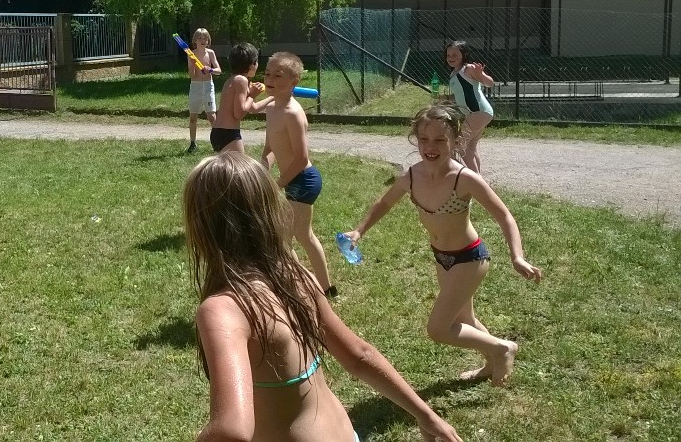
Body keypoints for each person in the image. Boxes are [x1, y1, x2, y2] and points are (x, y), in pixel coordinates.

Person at [184, 152, 463, 442]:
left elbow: (231, 429)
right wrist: (426, 415)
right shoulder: (293, 276)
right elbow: (359, 356)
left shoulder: (223, 310)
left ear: (201, 224)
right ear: (269, 211)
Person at [344, 104, 542, 387]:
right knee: (466, 319)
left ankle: (503, 348)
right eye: (424, 139)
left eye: (440, 139)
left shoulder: (464, 179)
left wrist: (517, 257)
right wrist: (359, 231)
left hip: (469, 259)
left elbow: (504, 216)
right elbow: (384, 203)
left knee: (438, 329)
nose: (431, 146)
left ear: (455, 141)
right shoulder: (412, 176)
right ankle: (491, 361)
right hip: (442, 258)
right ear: (415, 139)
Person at [259, 52, 335, 298]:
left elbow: (301, 158)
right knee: (302, 235)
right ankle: (323, 288)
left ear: (294, 81)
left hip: (303, 180)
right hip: (291, 180)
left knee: (284, 239)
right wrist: (263, 167)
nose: (270, 79)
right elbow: (271, 147)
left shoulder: (292, 113)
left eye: (278, 75)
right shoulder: (272, 108)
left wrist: (278, 183)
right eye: (267, 73)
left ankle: (304, 288)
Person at [445, 40, 494, 173]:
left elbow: (490, 83)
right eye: (448, 55)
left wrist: (481, 75)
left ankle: (474, 179)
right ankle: (478, 178)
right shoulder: (454, 74)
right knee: (471, 148)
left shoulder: (469, 69)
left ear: (464, 54)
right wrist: (445, 99)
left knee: (460, 146)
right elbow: (459, 96)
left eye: (455, 55)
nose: (451, 58)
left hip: (478, 112)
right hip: (476, 114)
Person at [209, 42, 266, 153]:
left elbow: (253, 108)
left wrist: (274, 97)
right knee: (241, 164)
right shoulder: (241, 80)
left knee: (228, 165)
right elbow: (238, 114)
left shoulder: (233, 79)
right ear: (252, 65)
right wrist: (252, 95)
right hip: (228, 133)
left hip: (219, 131)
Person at [186, 28, 221, 154]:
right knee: (193, 117)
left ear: (208, 41)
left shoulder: (210, 53)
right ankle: (192, 143)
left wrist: (210, 69)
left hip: (208, 86)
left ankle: (218, 142)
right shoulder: (191, 54)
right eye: (200, 38)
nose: (203, 41)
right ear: (195, 40)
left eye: (205, 38)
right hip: (195, 86)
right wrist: (193, 64)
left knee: (212, 116)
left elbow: (219, 70)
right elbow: (191, 75)